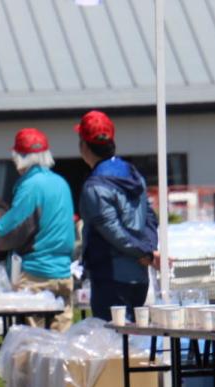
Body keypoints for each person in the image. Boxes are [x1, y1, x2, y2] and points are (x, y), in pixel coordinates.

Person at [0, 128, 75, 331]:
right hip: (63, 274)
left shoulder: (30, 186)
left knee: (33, 348)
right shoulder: (60, 182)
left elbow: (12, 231)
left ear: (18, 157)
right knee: (60, 349)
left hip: (37, 278)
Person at [75, 110, 159, 321]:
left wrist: (145, 252)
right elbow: (149, 216)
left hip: (110, 276)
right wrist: (148, 249)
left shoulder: (95, 186)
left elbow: (112, 231)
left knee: (112, 345)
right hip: (139, 275)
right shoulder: (133, 173)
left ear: (84, 146)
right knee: (134, 344)